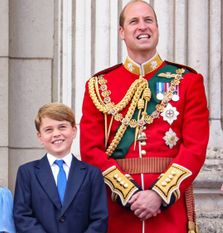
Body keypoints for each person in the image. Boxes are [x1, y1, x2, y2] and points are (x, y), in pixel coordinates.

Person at [80, 1, 209, 233]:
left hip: (168, 211)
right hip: (118, 210)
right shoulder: (99, 86)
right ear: (122, 32)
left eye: (148, 20)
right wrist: (129, 194)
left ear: (157, 28)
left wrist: (159, 194)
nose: (143, 27)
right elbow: (91, 150)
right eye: (134, 21)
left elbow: (195, 147)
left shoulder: (188, 81)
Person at [13, 103, 108, 233]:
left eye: (62, 127)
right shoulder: (27, 173)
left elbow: (99, 218)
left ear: (74, 131)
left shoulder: (92, 174)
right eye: (48, 130)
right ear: (40, 137)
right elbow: (22, 216)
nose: (56, 134)